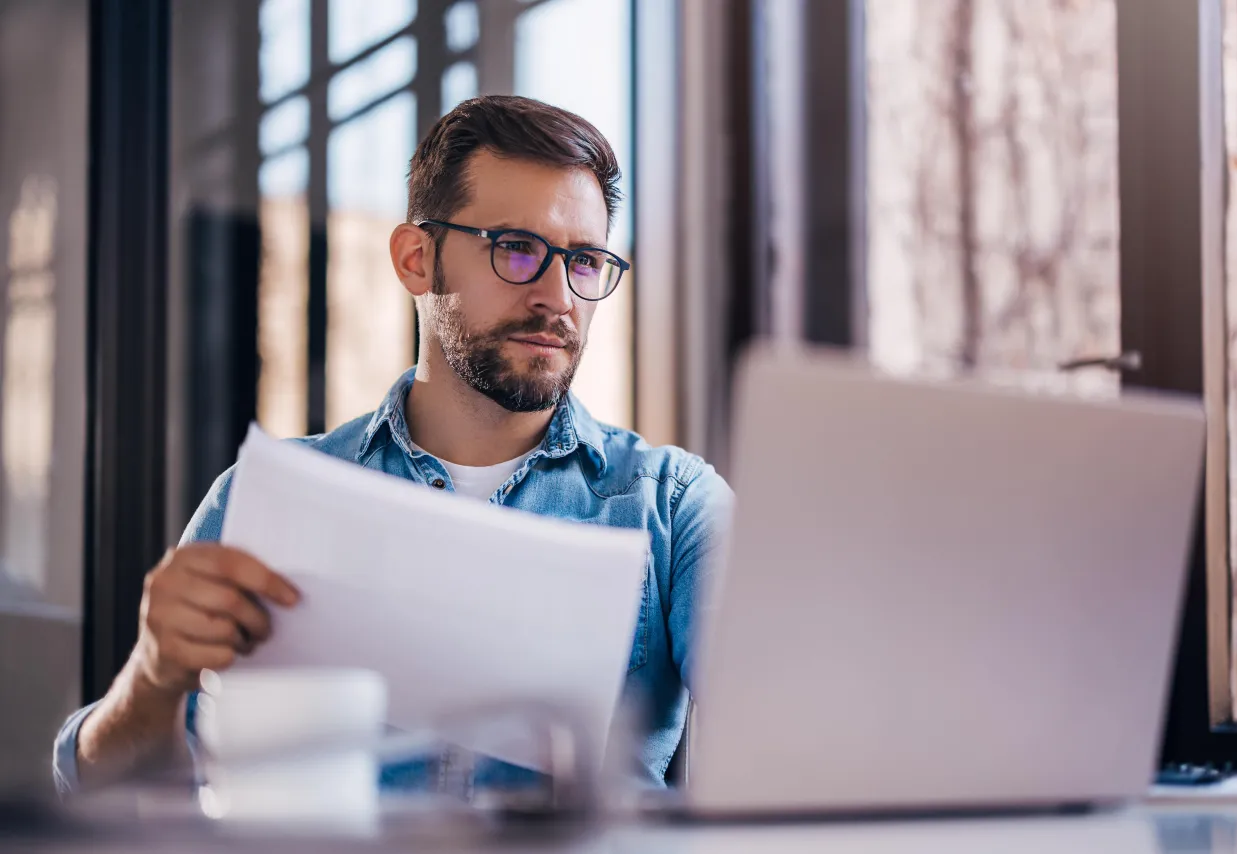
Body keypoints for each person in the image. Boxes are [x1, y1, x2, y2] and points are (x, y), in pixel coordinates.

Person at [53, 95, 731, 794]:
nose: (558, 297)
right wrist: (154, 674)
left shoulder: (675, 508)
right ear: (416, 259)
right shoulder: (269, 499)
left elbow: (781, 731)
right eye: (517, 248)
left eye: (584, 260)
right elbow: (103, 791)